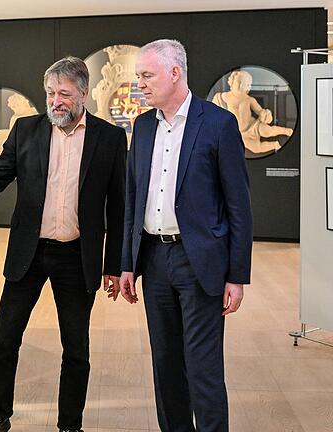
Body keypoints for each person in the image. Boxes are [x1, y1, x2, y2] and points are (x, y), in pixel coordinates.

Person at [0, 56, 126, 432]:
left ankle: (69, 426)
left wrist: (113, 265)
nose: (55, 101)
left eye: (63, 94)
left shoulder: (109, 139)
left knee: (76, 350)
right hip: (30, 253)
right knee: (4, 339)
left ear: (83, 93)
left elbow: (119, 205)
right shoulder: (26, 130)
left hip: (77, 257)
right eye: (50, 93)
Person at [119, 40, 253, 432]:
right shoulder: (142, 127)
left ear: (175, 73)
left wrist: (237, 275)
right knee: (166, 365)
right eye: (138, 75)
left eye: (146, 75)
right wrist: (127, 263)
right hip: (154, 261)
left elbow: (239, 208)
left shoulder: (218, 124)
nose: (139, 83)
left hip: (201, 263)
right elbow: (132, 198)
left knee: (203, 367)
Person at [211, 70, 293, 155]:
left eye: (244, 83)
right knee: (256, 148)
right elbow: (213, 114)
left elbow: (260, 111)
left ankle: (285, 131)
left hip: (253, 126)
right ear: (231, 81)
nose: (240, 85)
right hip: (239, 133)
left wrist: (265, 114)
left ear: (248, 86)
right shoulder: (222, 97)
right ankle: (274, 145)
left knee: (268, 131)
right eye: (238, 82)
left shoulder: (249, 99)